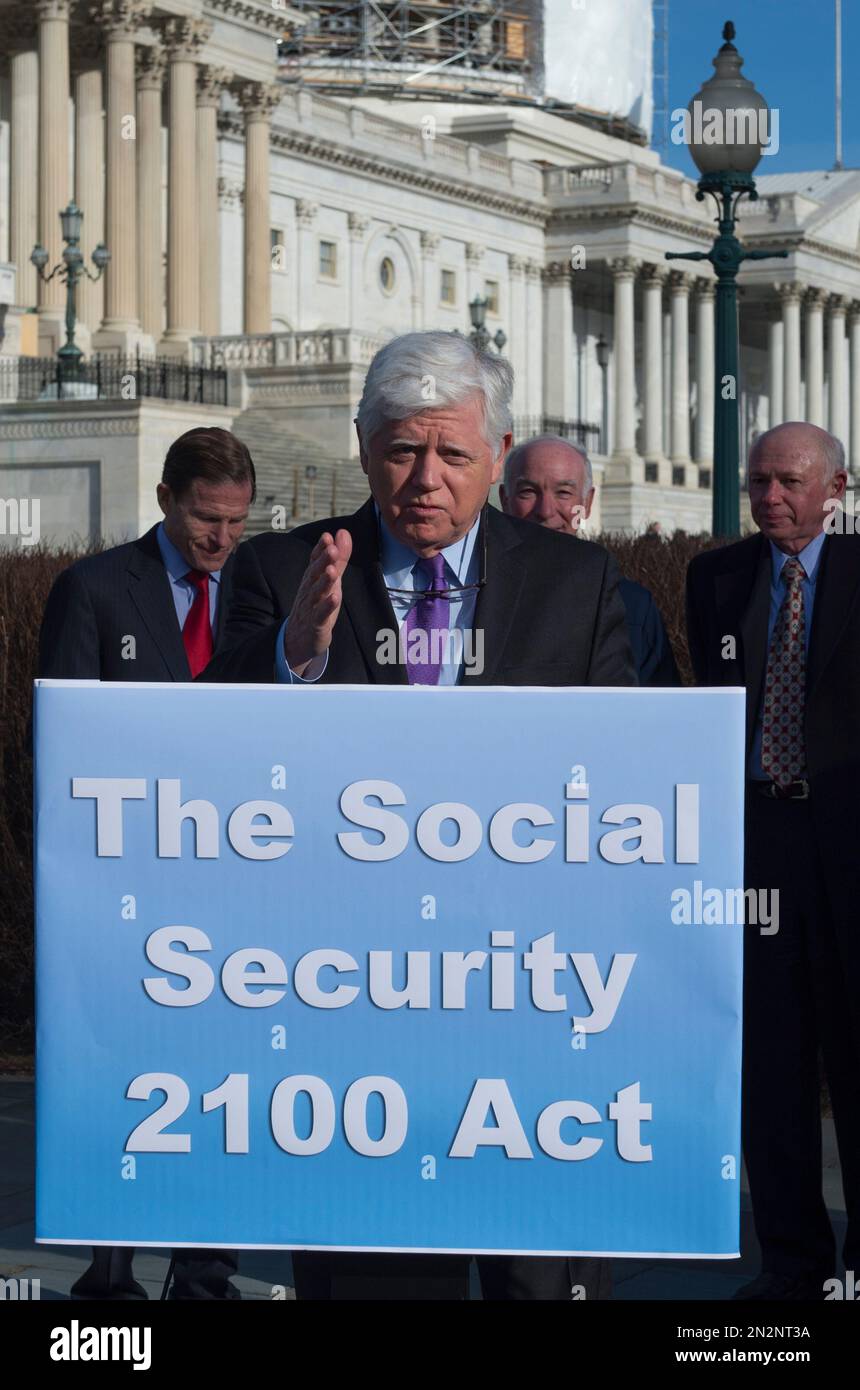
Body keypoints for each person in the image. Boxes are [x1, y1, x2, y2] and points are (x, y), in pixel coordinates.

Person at [204, 330, 635, 1300]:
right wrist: (294, 657)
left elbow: (624, 785)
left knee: (539, 1282)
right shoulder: (281, 574)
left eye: (451, 453)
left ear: (497, 451)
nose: (425, 479)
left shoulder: (578, 584)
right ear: (363, 450)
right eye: (402, 451)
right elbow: (209, 761)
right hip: (350, 1014)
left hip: (528, 1011)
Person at [38, 425, 255, 1301]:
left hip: (237, 876)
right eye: (207, 518)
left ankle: (206, 1272)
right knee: (123, 1078)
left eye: (237, 521)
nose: (221, 538)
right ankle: (113, 1272)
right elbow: (54, 741)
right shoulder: (93, 589)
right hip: (124, 880)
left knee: (226, 1086)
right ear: (165, 500)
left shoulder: (254, 590)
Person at [686, 421, 860, 1301]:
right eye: (758, 481)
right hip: (757, 844)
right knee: (772, 1060)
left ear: (836, 487)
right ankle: (791, 1264)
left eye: (788, 481)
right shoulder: (716, 577)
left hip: (853, 849)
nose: (769, 497)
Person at [500, 436, 680, 686]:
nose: (546, 510)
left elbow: (657, 711)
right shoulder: (471, 595)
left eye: (563, 492)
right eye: (528, 491)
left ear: (587, 503)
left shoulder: (633, 607)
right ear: (504, 499)